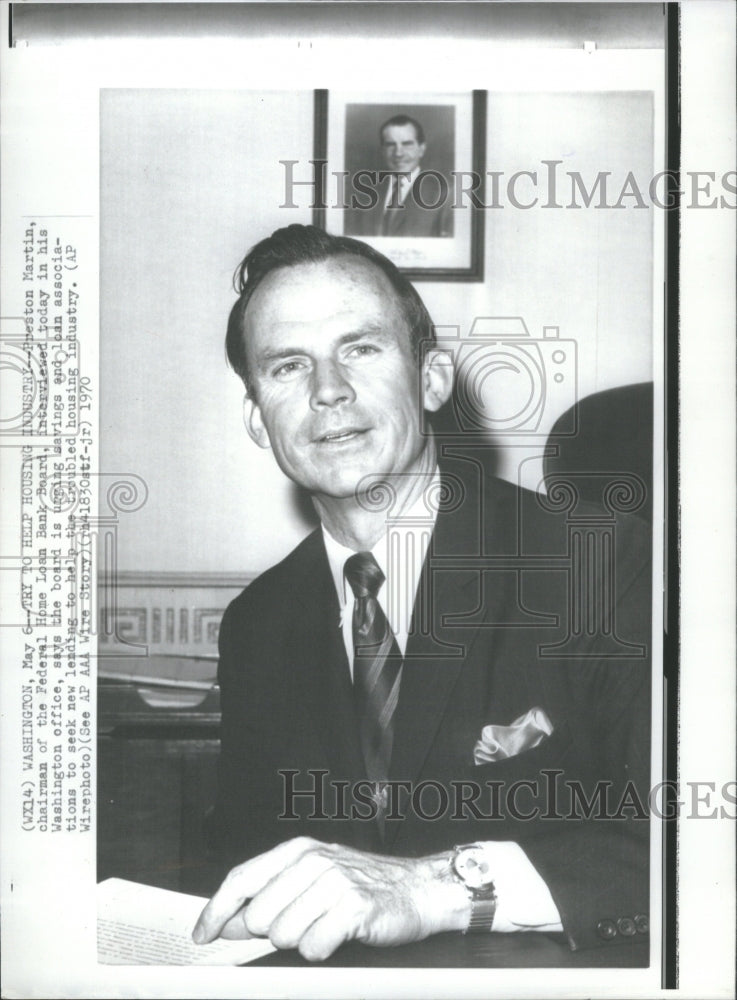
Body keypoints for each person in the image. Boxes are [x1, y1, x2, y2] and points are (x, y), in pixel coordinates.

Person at [193, 224, 651, 961]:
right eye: (286, 366)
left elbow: (690, 845)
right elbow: (249, 856)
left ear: (432, 379)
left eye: (361, 348)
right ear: (257, 420)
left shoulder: (602, 561)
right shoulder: (257, 622)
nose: (327, 390)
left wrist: (433, 888)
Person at [348, 114, 453, 238]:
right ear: (383, 150)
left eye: (407, 144)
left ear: (422, 149)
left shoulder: (445, 195)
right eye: (391, 145)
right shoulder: (363, 194)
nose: (398, 153)